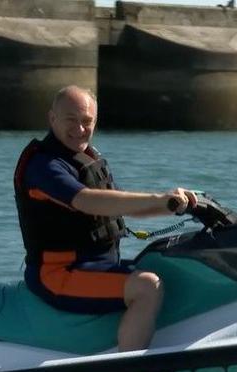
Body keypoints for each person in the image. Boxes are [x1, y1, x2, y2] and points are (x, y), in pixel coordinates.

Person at [13, 86, 197, 352]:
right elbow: (86, 200)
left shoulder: (86, 160)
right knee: (148, 287)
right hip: (58, 274)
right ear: (52, 119)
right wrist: (160, 198)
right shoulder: (45, 166)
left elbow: (120, 205)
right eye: (71, 120)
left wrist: (176, 206)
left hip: (94, 266)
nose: (80, 128)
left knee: (171, 262)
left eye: (87, 121)